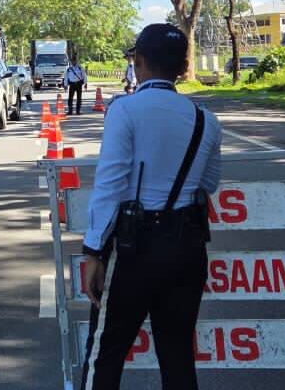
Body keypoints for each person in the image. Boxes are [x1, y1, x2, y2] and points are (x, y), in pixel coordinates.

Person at [80, 23, 222, 390]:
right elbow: (209, 183)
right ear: (183, 66)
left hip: (135, 248)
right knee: (177, 355)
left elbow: (110, 186)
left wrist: (93, 250)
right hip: (188, 247)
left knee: (107, 353)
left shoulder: (124, 110)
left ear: (138, 61)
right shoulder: (206, 119)